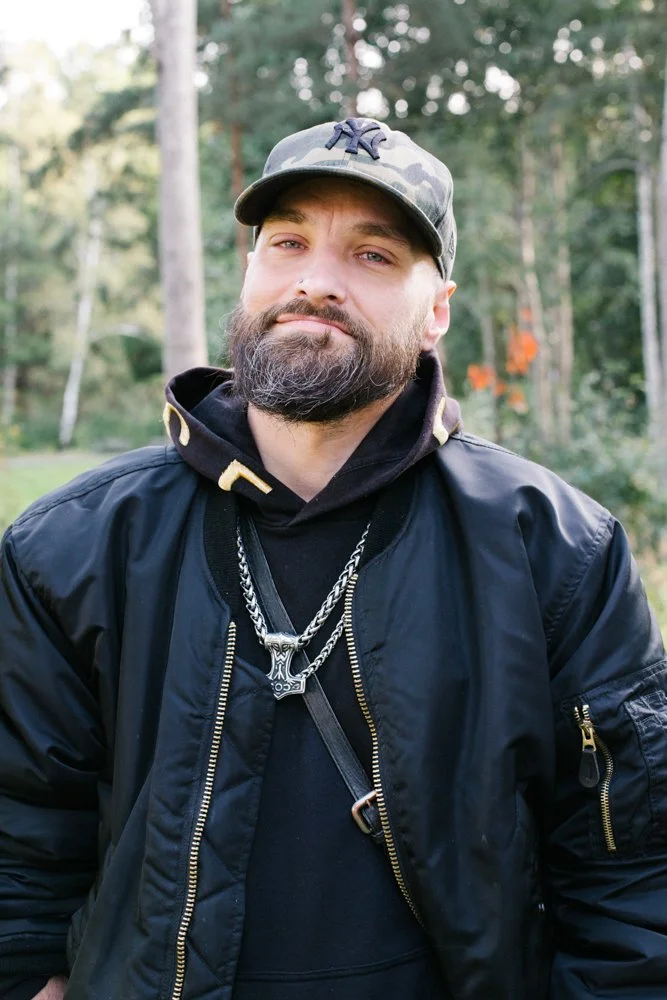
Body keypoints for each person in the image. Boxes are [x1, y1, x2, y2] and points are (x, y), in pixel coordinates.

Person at [1, 117, 666, 1000]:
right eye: (287, 243)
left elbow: (629, 877)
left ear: (437, 312)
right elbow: (18, 841)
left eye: (372, 255)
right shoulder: (74, 547)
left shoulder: (554, 550)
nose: (315, 280)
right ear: (249, 273)